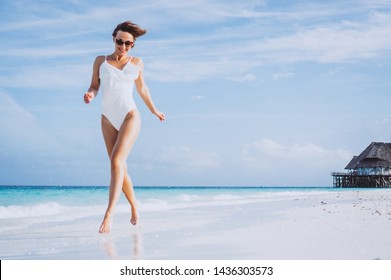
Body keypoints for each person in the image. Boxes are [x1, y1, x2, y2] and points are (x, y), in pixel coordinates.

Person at [84, 21, 165, 234]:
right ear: (113, 39)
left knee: (116, 160)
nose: (123, 46)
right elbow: (94, 85)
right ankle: (134, 205)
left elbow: (143, 89)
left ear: (133, 45)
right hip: (107, 118)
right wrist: (90, 94)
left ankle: (109, 214)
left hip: (130, 115)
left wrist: (154, 110)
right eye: (120, 41)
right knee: (120, 166)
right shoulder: (100, 61)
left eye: (128, 43)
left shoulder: (137, 63)